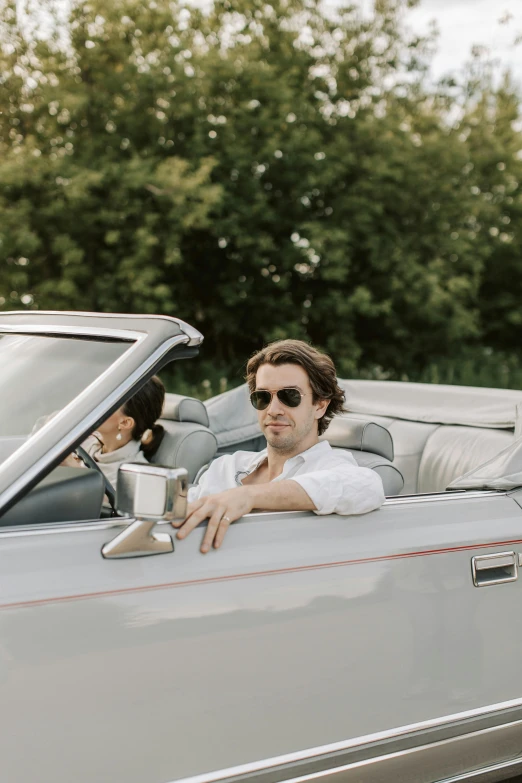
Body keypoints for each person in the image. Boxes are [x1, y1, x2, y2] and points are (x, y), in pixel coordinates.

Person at [174, 340, 385, 554]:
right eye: (263, 397)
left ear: (320, 405)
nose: (273, 409)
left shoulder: (333, 468)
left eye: (289, 396)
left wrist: (249, 496)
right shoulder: (226, 467)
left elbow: (369, 487)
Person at [78, 375, 165, 487]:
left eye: (108, 401)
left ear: (125, 423)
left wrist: (72, 465)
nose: (97, 403)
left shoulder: (136, 476)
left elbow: (106, 500)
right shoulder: (86, 443)